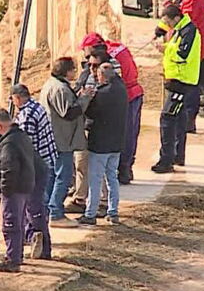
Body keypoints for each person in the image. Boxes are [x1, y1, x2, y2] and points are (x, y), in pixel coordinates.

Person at [79, 34, 144, 184]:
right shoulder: (114, 48)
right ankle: (124, 170)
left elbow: (106, 84)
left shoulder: (108, 62)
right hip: (131, 94)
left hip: (126, 97)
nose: (84, 53)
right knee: (129, 134)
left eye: (85, 49)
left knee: (124, 135)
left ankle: (123, 170)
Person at [152, 4, 202, 173]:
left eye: (168, 22)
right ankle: (177, 156)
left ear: (176, 18)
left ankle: (166, 160)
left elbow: (182, 54)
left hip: (182, 83)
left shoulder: (189, 31)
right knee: (179, 120)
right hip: (176, 80)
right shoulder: (180, 29)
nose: (167, 25)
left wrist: (166, 50)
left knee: (167, 119)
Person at [78, 63, 128, 226]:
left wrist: (87, 97)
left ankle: (90, 214)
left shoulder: (101, 94)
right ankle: (113, 211)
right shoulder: (121, 90)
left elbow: (89, 112)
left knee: (95, 179)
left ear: (102, 76)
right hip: (117, 142)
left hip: (100, 143)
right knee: (112, 177)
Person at [0, 108, 37, 272]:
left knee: (10, 224)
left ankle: (13, 259)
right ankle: (16, 255)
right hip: (25, 185)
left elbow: (8, 170)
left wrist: (4, 190)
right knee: (19, 222)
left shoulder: (8, 144)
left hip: (14, 189)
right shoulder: (22, 136)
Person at [9, 84, 54, 260]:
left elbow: (26, 147)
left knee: (33, 207)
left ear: (18, 98)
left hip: (35, 165)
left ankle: (41, 246)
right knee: (36, 206)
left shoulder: (26, 117)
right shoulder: (37, 107)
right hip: (45, 160)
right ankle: (36, 241)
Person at [39, 57, 85, 227]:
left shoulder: (52, 85)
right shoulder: (59, 89)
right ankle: (56, 212)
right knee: (63, 176)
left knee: (52, 175)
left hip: (53, 138)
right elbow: (69, 113)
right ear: (66, 71)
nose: (75, 72)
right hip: (62, 139)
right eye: (73, 69)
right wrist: (84, 99)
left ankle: (48, 210)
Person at [173, 0, 204, 134]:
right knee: (192, 85)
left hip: (191, 49)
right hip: (197, 46)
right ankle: (188, 120)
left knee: (190, 86)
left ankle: (188, 121)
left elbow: (181, 20)